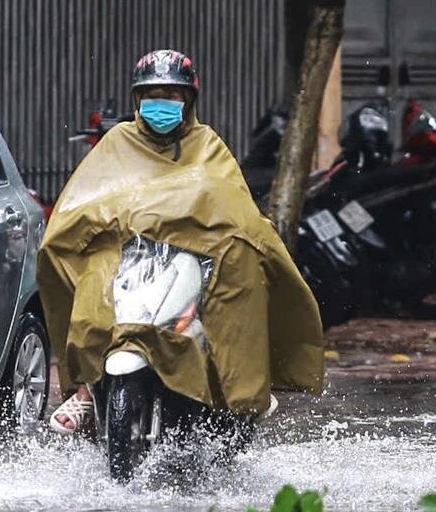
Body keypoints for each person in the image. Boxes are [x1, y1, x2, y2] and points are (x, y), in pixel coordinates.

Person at [43, 50, 323, 435]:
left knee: (247, 264)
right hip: (128, 256)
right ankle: (88, 386)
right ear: (137, 100)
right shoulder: (117, 143)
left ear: (188, 101)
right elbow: (85, 203)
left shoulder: (207, 145)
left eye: (171, 95)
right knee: (87, 283)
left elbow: (228, 203)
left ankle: (242, 386)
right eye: (152, 94)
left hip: (194, 257)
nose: (162, 104)